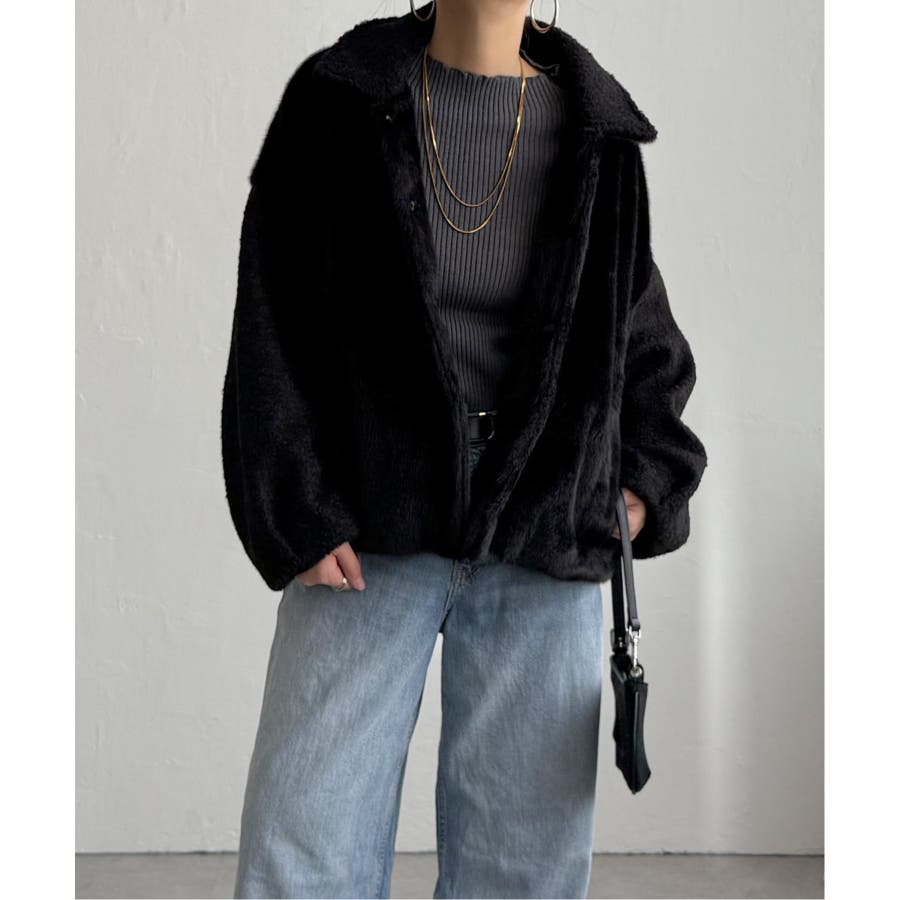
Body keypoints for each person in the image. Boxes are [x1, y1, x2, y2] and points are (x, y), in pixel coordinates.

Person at [222, 1, 707, 897]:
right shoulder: (339, 101)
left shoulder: (597, 136)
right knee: (303, 840)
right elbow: (271, 313)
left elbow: (640, 335)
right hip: (367, 524)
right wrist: (296, 507)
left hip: (540, 528)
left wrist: (643, 485)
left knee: (521, 868)